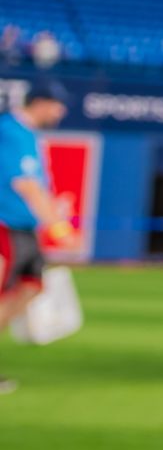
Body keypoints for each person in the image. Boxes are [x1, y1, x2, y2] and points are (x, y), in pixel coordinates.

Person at [0, 81, 74, 395]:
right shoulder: (12, 131)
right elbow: (25, 185)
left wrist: (55, 211)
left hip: (25, 230)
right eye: (57, 105)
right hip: (5, 228)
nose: (62, 111)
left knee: (29, 289)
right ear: (41, 102)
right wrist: (58, 226)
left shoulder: (28, 135)